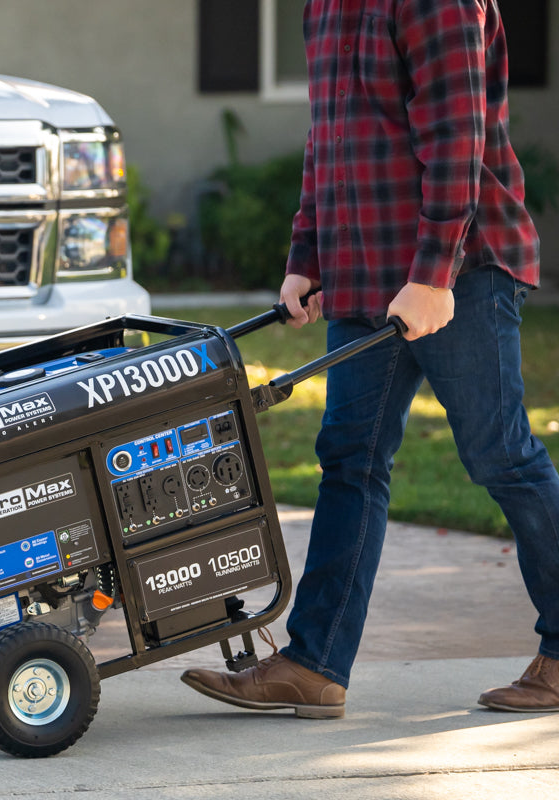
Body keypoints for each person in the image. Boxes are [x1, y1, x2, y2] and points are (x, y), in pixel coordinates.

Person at [181, 0, 559, 718]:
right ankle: (313, 665)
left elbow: (457, 136)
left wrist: (434, 274)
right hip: (364, 271)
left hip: (459, 273)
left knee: (500, 455)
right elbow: (327, 138)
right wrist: (307, 254)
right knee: (349, 459)